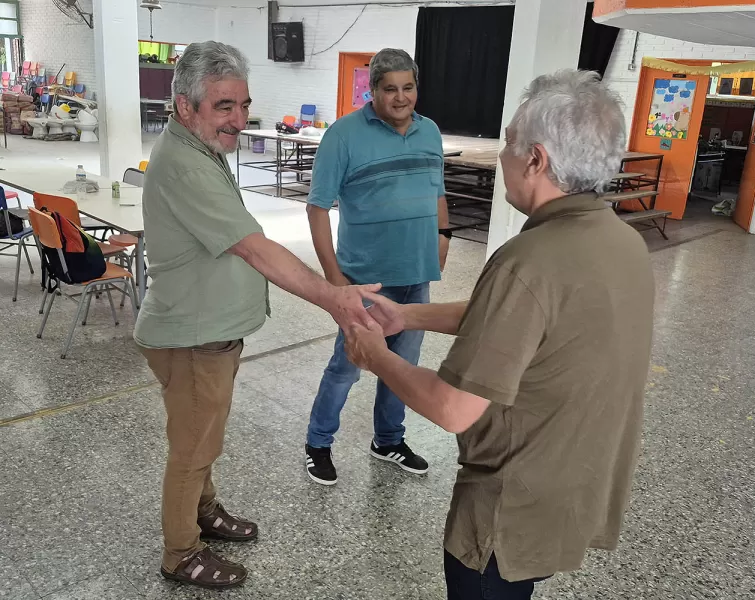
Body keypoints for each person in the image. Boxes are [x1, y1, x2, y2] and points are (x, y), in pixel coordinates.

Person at [345, 70, 655, 599]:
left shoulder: (528, 260)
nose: (503, 156)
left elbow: (453, 409)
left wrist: (375, 355)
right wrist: (408, 317)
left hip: (509, 504)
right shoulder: (622, 241)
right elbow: (523, 318)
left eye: (509, 143)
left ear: (536, 159)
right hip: (575, 481)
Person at [134, 41, 379, 590]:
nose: (239, 119)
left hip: (208, 332)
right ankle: (180, 552)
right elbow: (254, 248)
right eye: (224, 106)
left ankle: (205, 511)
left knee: (203, 436)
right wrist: (332, 296)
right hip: (192, 336)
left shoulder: (199, 145)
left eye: (243, 104)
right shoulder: (185, 165)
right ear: (184, 106)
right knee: (194, 447)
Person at [303, 48, 450, 485]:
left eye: (408, 87)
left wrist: (444, 236)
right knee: (347, 366)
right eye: (390, 89)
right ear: (373, 91)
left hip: (416, 277)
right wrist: (335, 280)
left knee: (402, 367)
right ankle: (318, 444)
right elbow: (317, 208)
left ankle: (388, 440)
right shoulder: (343, 136)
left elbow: (437, 190)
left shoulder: (430, 131)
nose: (401, 97)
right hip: (365, 281)